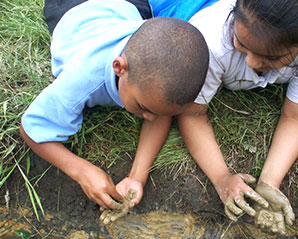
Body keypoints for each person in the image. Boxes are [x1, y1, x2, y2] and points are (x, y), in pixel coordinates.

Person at [150, 0, 298, 234]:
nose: (252, 62)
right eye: (241, 43)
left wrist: (269, 182)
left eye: (270, 57)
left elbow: (295, 118)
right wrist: (222, 179)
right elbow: (192, 114)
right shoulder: (209, 40)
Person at [19, 0, 210, 214]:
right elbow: (32, 129)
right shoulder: (82, 79)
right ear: (119, 68)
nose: (149, 118)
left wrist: (137, 177)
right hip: (70, 7)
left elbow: (160, 112)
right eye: (143, 107)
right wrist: (82, 171)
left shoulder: (154, 54)